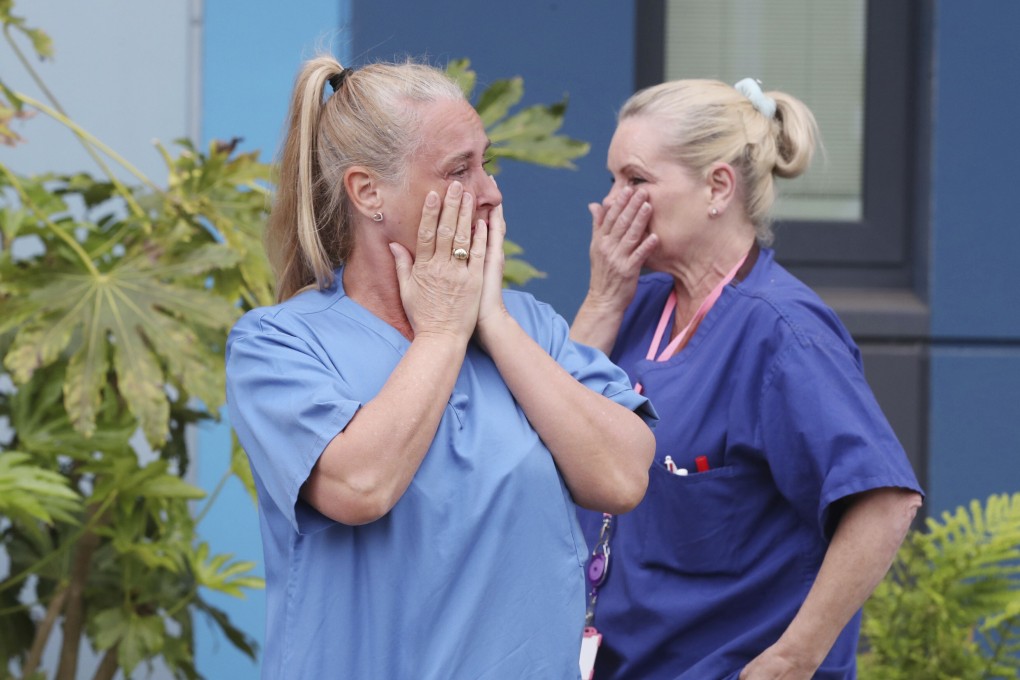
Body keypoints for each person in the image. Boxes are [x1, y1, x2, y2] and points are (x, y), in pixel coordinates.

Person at [224, 56, 657, 679]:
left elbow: (622, 478)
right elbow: (360, 486)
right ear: (368, 192)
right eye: (459, 170)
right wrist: (444, 331)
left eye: (486, 164)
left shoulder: (529, 326)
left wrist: (495, 326)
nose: (490, 192)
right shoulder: (278, 344)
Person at [570, 78, 924, 680]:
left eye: (635, 181)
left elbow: (884, 502)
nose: (612, 204)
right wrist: (603, 297)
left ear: (717, 187)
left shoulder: (784, 333)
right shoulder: (636, 302)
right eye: (611, 181)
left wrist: (794, 658)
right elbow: (556, 434)